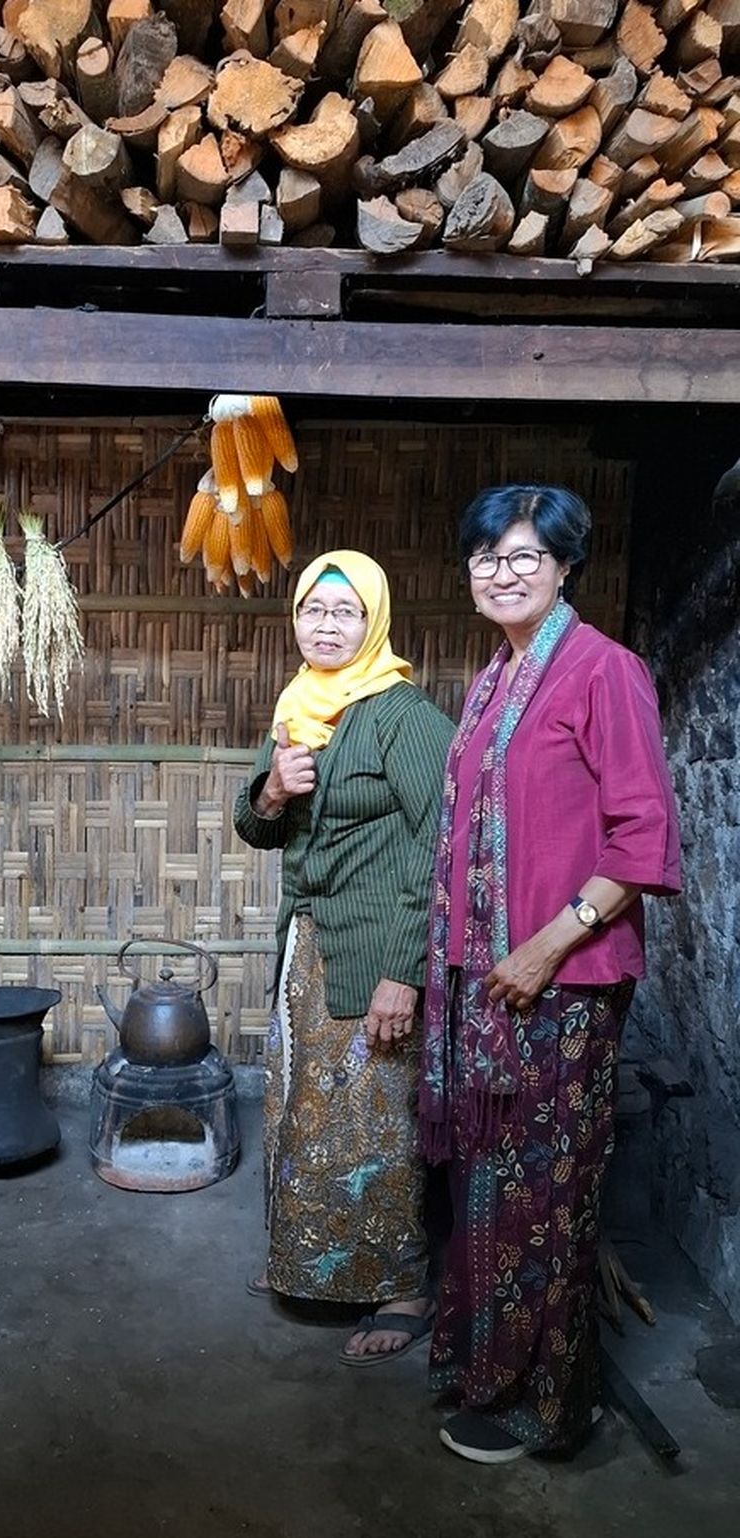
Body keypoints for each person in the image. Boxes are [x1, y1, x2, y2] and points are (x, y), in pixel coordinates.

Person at [420, 485, 680, 1463]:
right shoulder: (492, 682)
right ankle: (489, 1365)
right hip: (487, 985)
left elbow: (642, 835)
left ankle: (549, 1402)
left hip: (561, 987)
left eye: (526, 554)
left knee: (548, 1198)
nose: (503, 571)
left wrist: (547, 940)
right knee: (487, 1187)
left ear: (566, 565)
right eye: (486, 555)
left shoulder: (603, 671)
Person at [233, 550, 454, 1364]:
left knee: (375, 1119)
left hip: (374, 956)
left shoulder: (405, 716)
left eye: (345, 612)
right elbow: (256, 826)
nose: (326, 626)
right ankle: (306, 1257)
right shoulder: (299, 707)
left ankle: (401, 1286)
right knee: (301, 1111)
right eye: (312, 611)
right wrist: (271, 790)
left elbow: (440, 850)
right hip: (307, 948)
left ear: (375, 621)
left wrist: (405, 973)